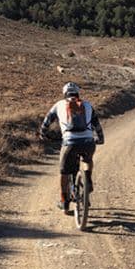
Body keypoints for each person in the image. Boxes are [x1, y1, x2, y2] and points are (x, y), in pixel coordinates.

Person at [40, 82, 104, 213]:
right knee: (87, 160)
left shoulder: (59, 105)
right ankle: (88, 180)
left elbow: (46, 122)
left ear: (65, 94)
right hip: (88, 142)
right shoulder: (87, 105)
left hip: (70, 143)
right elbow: (96, 124)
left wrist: (43, 134)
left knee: (64, 172)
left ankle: (64, 202)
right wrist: (100, 138)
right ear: (78, 93)